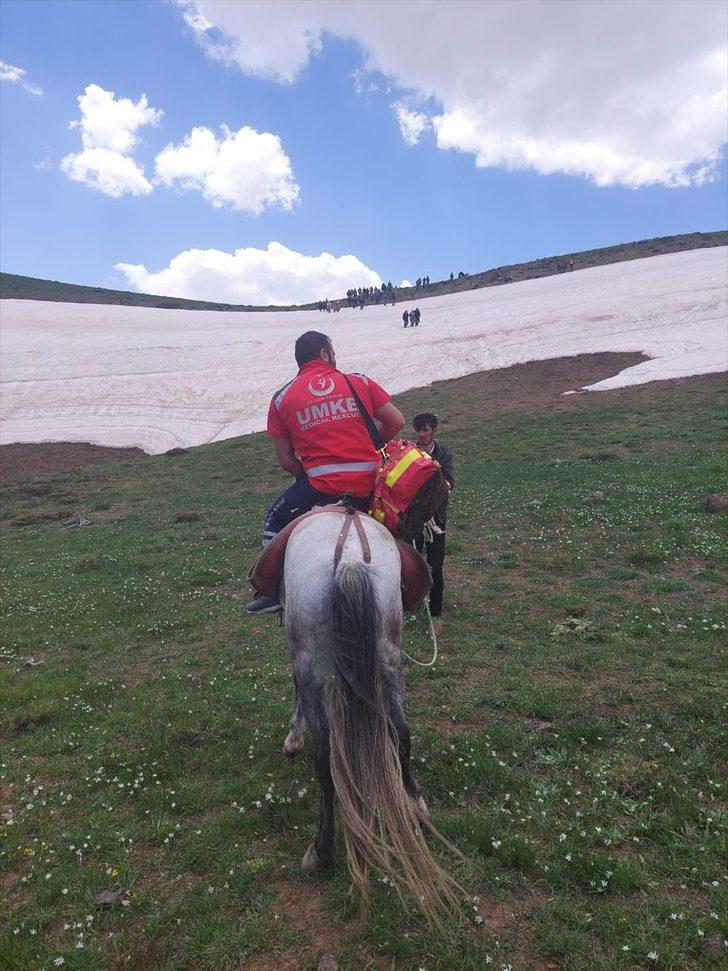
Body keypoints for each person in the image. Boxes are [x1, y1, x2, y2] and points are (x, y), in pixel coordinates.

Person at [246, 331, 405, 613]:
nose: (335, 357)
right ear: (323, 354)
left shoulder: (282, 398)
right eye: (333, 352)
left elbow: (284, 459)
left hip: (319, 487)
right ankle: (408, 584)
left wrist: (306, 472)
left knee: (275, 516)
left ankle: (269, 592)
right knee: (400, 523)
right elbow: (396, 420)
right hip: (369, 483)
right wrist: (373, 448)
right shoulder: (359, 381)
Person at [412, 413, 454, 617]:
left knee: (436, 563)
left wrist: (435, 489)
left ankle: (436, 608)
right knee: (412, 560)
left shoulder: (444, 455)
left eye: (425, 430)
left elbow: (450, 482)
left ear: (434, 430)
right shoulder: (409, 453)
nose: (421, 434)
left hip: (436, 518)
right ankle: (412, 603)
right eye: (418, 430)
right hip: (412, 518)